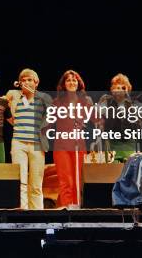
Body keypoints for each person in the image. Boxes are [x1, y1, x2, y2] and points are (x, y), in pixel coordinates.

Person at [7, 68, 52, 210]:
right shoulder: (14, 96)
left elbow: (51, 117)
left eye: (30, 80)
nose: (26, 82)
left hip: (37, 144)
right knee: (21, 181)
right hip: (19, 142)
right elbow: (2, 106)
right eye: (24, 80)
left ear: (36, 83)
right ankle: (23, 213)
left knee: (36, 183)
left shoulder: (44, 98)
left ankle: (37, 215)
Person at [52, 70, 92, 208]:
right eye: (68, 80)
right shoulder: (57, 102)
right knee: (66, 180)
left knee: (78, 180)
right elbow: (48, 122)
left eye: (74, 80)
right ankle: (67, 210)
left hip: (79, 144)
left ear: (78, 83)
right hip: (61, 145)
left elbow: (98, 120)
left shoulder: (86, 101)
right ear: (64, 84)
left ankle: (77, 209)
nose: (71, 82)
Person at [97, 73, 142, 162]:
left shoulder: (132, 104)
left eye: (122, 88)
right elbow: (95, 114)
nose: (118, 90)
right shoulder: (106, 102)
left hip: (129, 144)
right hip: (112, 144)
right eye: (116, 88)